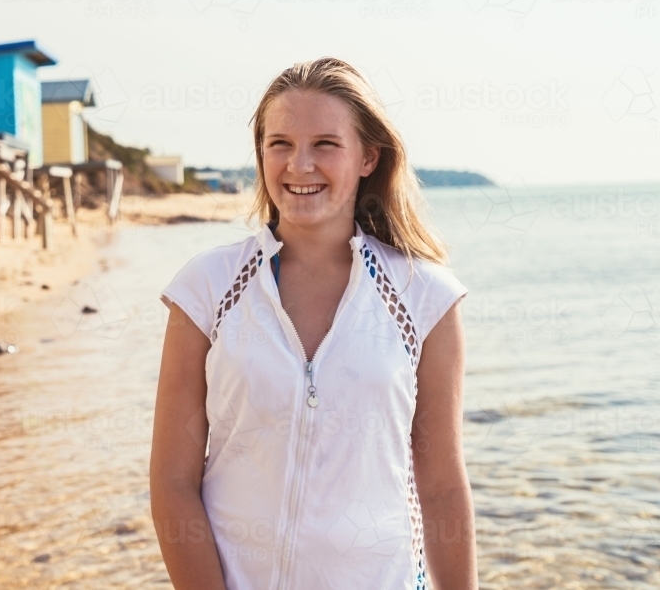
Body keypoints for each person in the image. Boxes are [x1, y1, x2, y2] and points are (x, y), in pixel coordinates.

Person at [150, 57, 478, 590]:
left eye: (325, 144)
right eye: (279, 143)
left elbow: (441, 485)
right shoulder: (206, 288)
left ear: (368, 157)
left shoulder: (426, 297)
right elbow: (172, 480)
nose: (299, 165)